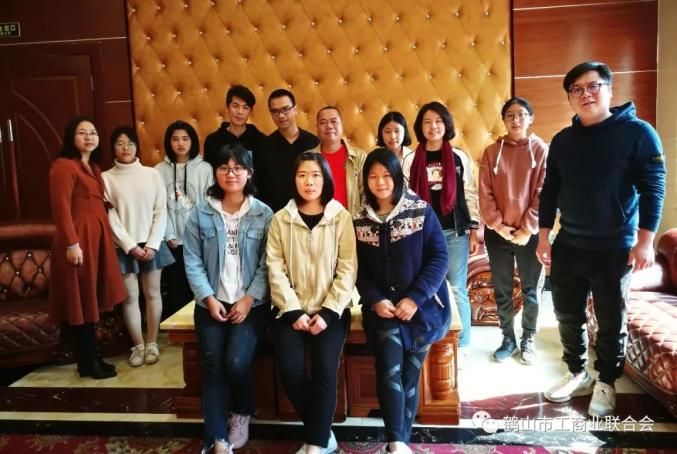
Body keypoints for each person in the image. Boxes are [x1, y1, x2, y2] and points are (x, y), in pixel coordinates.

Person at [538, 61, 666, 417]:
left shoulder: (638, 133)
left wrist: (645, 241)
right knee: (566, 314)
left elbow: (653, 187)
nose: (586, 94)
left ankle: (607, 381)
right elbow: (550, 191)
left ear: (609, 89)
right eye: (576, 90)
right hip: (569, 244)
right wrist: (544, 237)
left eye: (593, 86)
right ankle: (577, 373)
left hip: (615, 247)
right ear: (570, 98)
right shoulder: (563, 141)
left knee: (610, 320)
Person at [354, 149, 450, 454]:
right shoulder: (359, 219)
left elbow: (440, 258)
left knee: (410, 375)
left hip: (422, 309)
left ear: (397, 176)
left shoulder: (420, 211)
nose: (380, 182)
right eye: (373, 176)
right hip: (382, 310)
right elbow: (356, 268)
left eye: (386, 175)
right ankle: (396, 441)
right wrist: (374, 299)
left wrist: (415, 298)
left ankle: (398, 443)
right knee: (389, 369)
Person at [184, 143, 273, 454]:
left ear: (249, 173)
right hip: (210, 303)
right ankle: (217, 437)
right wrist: (208, 298)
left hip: (252, 305)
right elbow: (192, 260)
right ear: (216, 173)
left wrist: (249, 298)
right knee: (212, 363)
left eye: (238, 168)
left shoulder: (263, 213)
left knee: (235, 361)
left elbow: (268, 263)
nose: (231, 174)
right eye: (224, 168)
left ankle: (243, 410)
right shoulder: (201, 212)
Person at [267, 152, 357, 454]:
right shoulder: (281, 219)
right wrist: (293, 310)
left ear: (326, 179)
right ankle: (321, 433)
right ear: (294, 179)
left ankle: (315, 445)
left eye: (316, 175)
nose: (309, 181)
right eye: (302, 175)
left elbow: (348, 268)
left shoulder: (340, 217)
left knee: (324, 370)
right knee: (289, 370)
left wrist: (329, 312)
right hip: (289, 310)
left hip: (331, 310)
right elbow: (274, 268)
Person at [48, 116, 127, 379]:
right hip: (78, 241)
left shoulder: (92, 167)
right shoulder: (63, 166)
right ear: (71, 137)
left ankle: (90, 360)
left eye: (93, 133)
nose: (89, 137)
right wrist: (72, 244)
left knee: (90, 300)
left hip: (96, 239)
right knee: (81, 302)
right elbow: (61, 210)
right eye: (82, 133)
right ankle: (87, 361)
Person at [407, 101, 480, 362]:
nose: (433, 126)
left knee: (457, 288)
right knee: (423, 286)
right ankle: (429, 339)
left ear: (446, 124)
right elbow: (406, 198)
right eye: (427, 122)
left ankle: (463, 345)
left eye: (438, 121)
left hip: (454, 232)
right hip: (421, 235)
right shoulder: (411, 160)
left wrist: (474, 229)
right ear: (420, 127)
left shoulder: (458, 156)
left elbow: (470, 194)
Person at [478, 97, 548, 364]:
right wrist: (499, 226)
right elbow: (485, 194)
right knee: (502, 289)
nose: (516, 120)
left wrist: (527, 229)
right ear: (504, 120)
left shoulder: (540, 149)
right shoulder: (490, 152)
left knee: (531, 290)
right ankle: (508, 337)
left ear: (531, 118)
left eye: (521, 114)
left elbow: (543, 192)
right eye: (510, 115)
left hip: (530, 234)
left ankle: (528, 337)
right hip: (498, 233)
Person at [103, 126, 174, 367]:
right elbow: (110, 217)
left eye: (130, 143)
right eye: (120, 143)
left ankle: (152, 343)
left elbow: (161, 210)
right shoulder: (105, 178)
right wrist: (130, 246)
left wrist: (152, 245)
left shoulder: (151, 174)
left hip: (152, 243)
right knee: (130, 298)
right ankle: (137, 346)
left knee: (153, 294)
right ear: (113, 147)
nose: (126, 148)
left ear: (137, 147)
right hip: (124, 247)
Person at [155, 121, 213, 319]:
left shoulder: (205, 168)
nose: (180, 143)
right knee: (176, 287)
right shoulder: (159, 170)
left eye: (185, 139)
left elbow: (209, 203)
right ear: (168, 142)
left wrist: (203, 231)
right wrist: (168, 234)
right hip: (173, 240)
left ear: (192, 141)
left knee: (199, 284)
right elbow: (159, 207)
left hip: (199, 238)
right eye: (175, 139)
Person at [259, 88, 320, 212]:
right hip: (275, 214)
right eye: (275, 111)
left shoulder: (313, 143)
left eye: (285, 109)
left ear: (295, 109)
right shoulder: (264, 146)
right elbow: (260, 186)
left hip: (310, 212)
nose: (281, 115)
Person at [310, 106, 366, 215]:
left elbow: (366, 195)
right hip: (318, 221)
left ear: (342, 125)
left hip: (352, 221)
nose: (329, 126)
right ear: (317, 128)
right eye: (323, 122)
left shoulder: (359, 157)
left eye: (334, 121)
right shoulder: (308, 158)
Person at [203, 85, 266, 178]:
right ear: (227, 108)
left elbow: (264, 176)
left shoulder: (260, 140)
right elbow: (209, 176)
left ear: (250, 111)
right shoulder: (213, 140)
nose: (240, 112)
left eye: (245, 107)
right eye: (235, 106)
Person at [377, 111, 414, 182]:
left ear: (404, 132)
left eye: (397, 131)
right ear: (381, 133)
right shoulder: (375, 158)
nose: (392, 136)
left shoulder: (414, 158)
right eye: (388, 132)